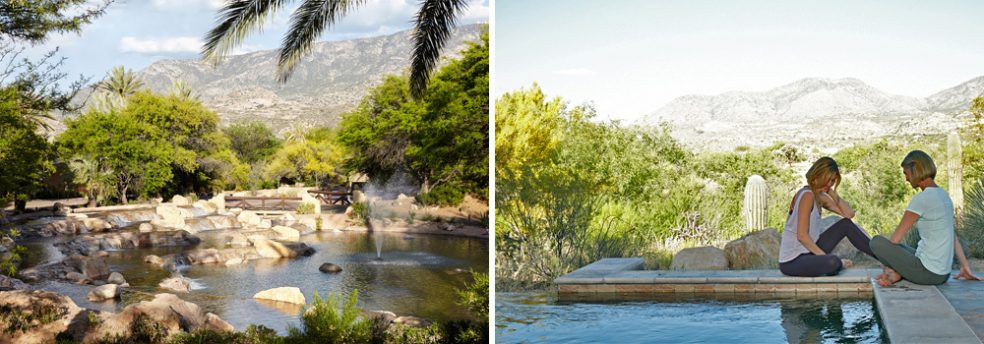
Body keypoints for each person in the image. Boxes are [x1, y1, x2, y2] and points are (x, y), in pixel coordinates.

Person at [871, 150, 980, 286]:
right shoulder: (943, 195)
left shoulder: (922, 199)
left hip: (928, 274)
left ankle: (895, 273)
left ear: (915, 170)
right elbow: (953, 235)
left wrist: (891, 264)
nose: (906, 178)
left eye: (906, 173)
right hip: (943, 274)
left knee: (877, 242)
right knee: (902, 248)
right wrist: (965, 266)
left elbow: (895, 239)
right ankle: (897, 273)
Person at [779, 157, 877, 277]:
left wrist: (830, 191)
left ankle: (885, 260)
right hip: (792, 261)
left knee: (845, 224)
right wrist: (824, 258)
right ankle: (838, 263)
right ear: (818, 176)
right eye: (829, 179)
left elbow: (849, 214)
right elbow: (802, 236)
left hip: (808, 252)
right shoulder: (807, 196)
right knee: (833, 262)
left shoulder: (819, 196)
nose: (830, 183)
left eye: (833, 181)